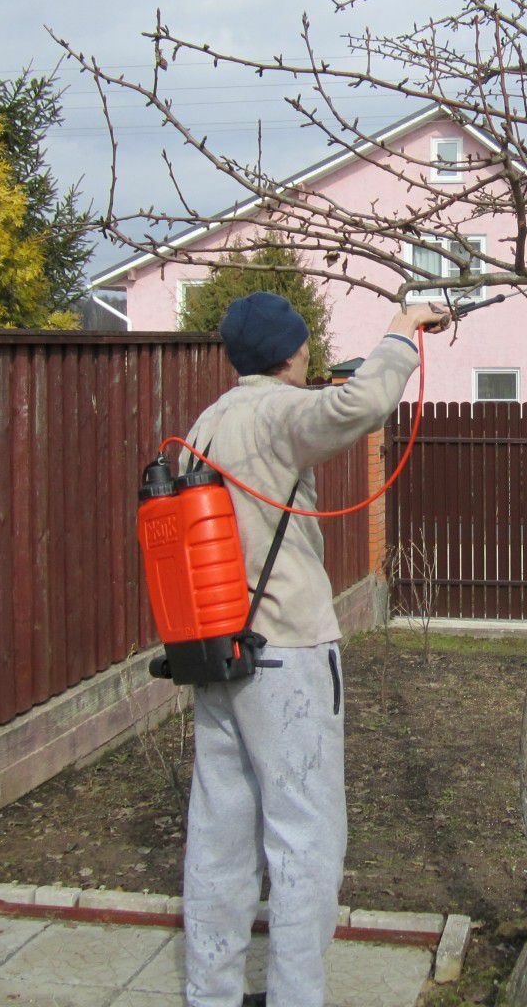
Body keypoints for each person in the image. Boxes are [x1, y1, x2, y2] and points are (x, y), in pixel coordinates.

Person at [178, 291, 450, 1007]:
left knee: (220, 838)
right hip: (287, 656)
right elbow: (355, 412)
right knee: (304, 839)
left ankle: (211, 993)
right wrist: (402, 333)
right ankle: (296, 997)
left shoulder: (208, 423)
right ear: (291, 351)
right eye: (304, 344)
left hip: (216, 654)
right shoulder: (277, 415)